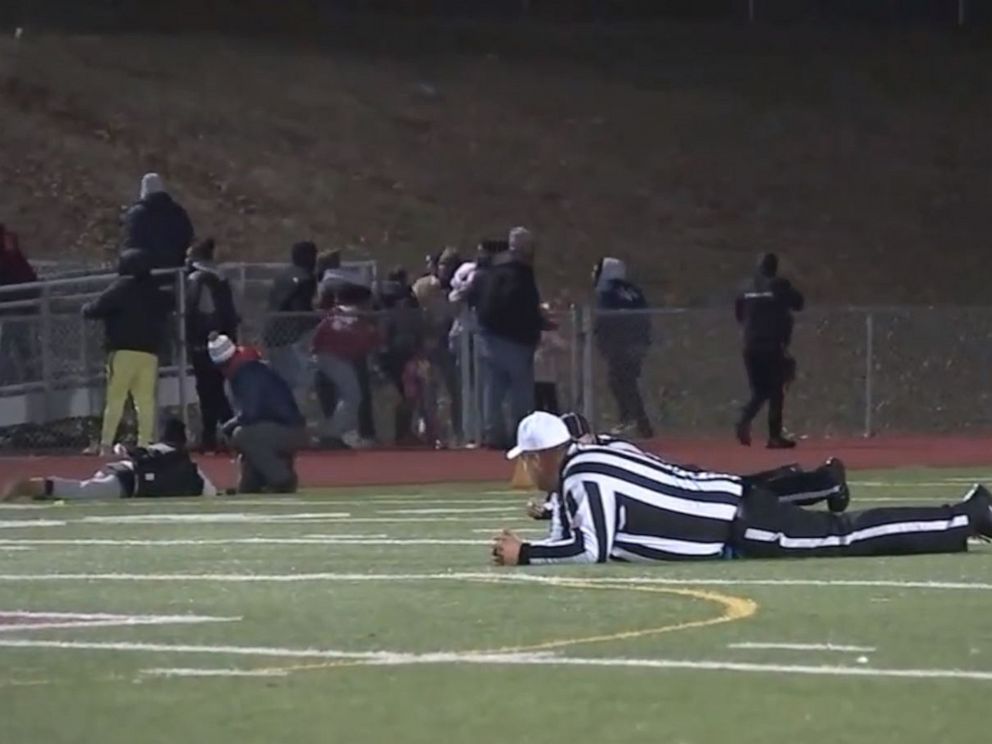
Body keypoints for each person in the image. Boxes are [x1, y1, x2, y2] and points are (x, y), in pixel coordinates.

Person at [492, 411, 992, 565]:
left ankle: (967, 515)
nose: (527, 473)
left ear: (538, 457)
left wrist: (526, 553)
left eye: (527, 463)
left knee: (847, 535)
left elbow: (590, 549)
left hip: (738, 526)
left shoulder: (583, 475)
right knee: (842, 532)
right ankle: (966, 515)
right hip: (731, 505)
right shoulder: (597, 456)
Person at [526, 412, 849, 541]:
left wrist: (554, 509)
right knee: (760, 489)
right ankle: (797, 476)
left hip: (684, 486)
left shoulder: (610, 452)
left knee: (762, 493)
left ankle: (825, 480)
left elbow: (617, 492)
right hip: (683, 488)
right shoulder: (584, 464)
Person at [82, 249, 171, 454]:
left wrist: (85, 309)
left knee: (115, 399)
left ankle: (106, 444)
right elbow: (168, 302)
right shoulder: (153, 289)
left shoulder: (121, 288)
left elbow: (95, 308)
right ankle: (145, 443)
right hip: (149, 353)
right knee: (145, 401)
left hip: (122, 351)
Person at [2, 418, 217, 502]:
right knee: (82, 491)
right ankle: (34, 486)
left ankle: (39, 493)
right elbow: (210, 492)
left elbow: (132, 451)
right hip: (127, 481)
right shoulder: (188, 466)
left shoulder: (159, 449)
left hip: (120, 468)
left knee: (84, 490)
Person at [472, 227, 544, 449]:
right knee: (520, 392)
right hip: (515, 339)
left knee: (493, 388)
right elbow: (522, 307)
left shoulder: (494, 270)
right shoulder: (519, 274)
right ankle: (522, 434)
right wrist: (536, 323)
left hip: (490, 336)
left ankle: (492, 434)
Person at [208, 333, 307, 493]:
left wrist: (227, 426)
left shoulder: (246, 374)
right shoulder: (251, 368)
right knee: (248, 485)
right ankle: (258, 480)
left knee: (243, 435)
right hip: (284, 427)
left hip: (288, 430)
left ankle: (282, 479)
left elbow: (251, 413)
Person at [734, 252, 804, 449]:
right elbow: (799, 303)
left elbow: (739, 314)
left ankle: (743, 418)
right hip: (772, 345)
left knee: (759, 390)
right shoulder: (779, 285)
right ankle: (774, 436)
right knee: (775, 390)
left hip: (750, 344)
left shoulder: (745, 287)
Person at [311, 282, 381, 449]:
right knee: (352, 396)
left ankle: (333, 433)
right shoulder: (354, 315)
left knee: (350, 396)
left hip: (330, 357)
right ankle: (331, 434)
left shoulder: (337, 314)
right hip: (332, 358)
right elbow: (367, 340)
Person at [185, 238, 238, 452]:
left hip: (205, 342)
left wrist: (199, 336)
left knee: (210, 391)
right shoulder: (221, 278)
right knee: (213, 389)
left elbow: (203, 311)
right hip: (223, 340)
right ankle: (214, 435)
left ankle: (225, 433)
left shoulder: (199, 279)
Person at [593, 257, 653, 438]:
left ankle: (631, 420)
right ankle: (640, 423)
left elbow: (604, 319)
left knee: (619, 382)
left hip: (620, 345)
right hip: (637, 343)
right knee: (628, 382)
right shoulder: (633, 291)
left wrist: (601, 339)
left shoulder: (608, 292)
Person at [263, 240, 319, 394]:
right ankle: (294, 415)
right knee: (298, 381)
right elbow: (300, 311)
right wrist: (320, 318)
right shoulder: (305, 278)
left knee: (282, 380)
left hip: (271, 333)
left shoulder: (283, 274)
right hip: (288, 337)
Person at [122, 173, 194, 278]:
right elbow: (188, 236)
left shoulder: (137, 213)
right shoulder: (177, 211)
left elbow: (131, 241)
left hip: (148, 272)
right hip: (177, 270)